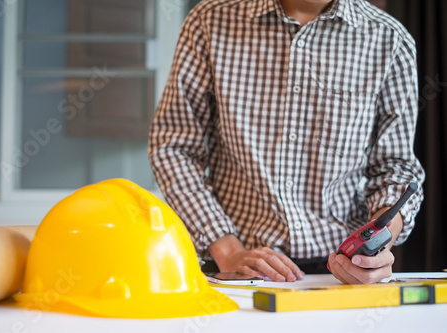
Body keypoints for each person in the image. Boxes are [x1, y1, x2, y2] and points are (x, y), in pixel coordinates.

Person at [148, 0, 425, 284]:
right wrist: (228, 250)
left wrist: (376, 249)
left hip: (341, 272)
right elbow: (174, 146)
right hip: (234, 269)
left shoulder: (390, 39)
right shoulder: (210, 21)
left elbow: (395, 169)